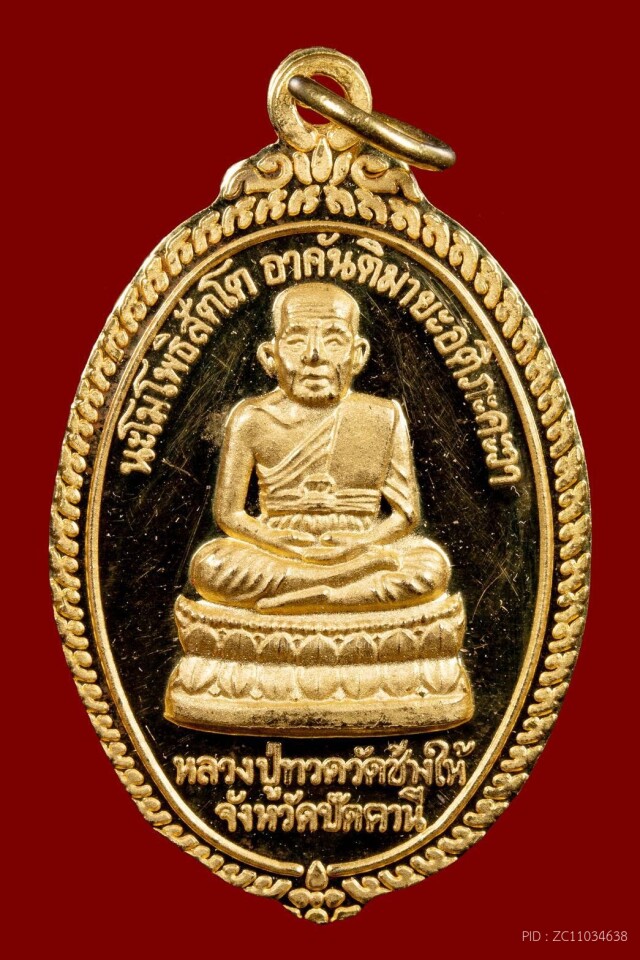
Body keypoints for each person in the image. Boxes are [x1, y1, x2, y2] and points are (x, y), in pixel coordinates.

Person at [190, 282, 451, 613]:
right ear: (270, 356)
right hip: (280, 549)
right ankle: (343, 585)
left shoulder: (383, 416)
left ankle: (329, 596)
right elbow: (229, 514)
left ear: (358, 355)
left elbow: (406, 515)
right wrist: (281, 543)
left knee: (430, 566)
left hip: (361, 545)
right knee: (211, 565)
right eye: (296, 339)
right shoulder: (252, 418)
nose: (314, 355)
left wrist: (360, 544)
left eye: (334, 340)